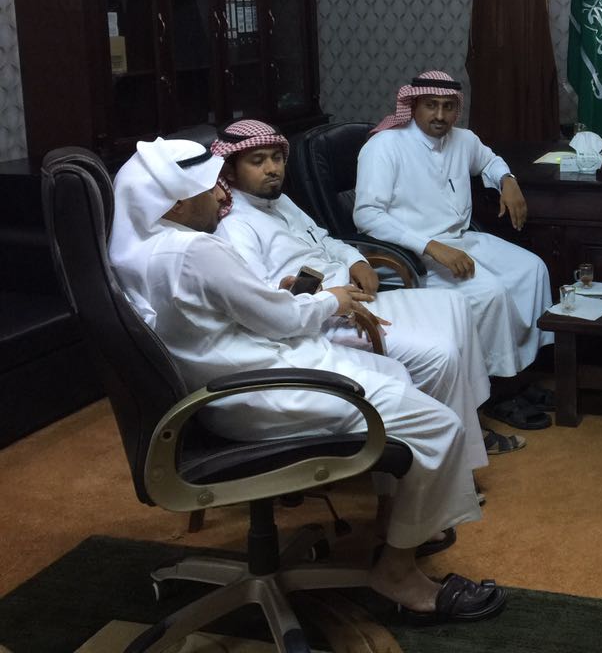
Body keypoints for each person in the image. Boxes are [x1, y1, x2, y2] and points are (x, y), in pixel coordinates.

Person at [109, 137, 505, 621]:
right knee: (439, 426)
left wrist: (291, 296)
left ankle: (393, 517)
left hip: (225, 387)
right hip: (260, 390)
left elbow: (234, 309)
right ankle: (396, 573)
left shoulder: (138, 250)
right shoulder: (194, 252)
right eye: (209, 189)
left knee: (397, 371)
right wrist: (332, 301)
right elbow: (279, 319)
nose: (220, 196)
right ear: (174, 203)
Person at [211, 119, 518, 460]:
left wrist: (356, 260)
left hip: (352, 295)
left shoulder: (278, 201)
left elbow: (323, 238)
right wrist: (324, 299)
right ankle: (449, 449)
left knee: (455, 305)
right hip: (325, 321)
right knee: (439, 353)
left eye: (276, 158)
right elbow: (261, 303)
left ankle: (469, 421)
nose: (272, 169)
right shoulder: (236, 227)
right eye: (257, 161)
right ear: (231, 171)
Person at [355, 71, 554, 430]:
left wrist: (507, 181)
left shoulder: (464, 140)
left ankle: (520, 375)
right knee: (491, 292)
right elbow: (367, 215)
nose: (440, 115)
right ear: (413, 105)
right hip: (412, 253)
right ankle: (496, 394)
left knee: (532, 270)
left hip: (461, 239)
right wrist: (431, 247)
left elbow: (490, 160)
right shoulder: (384, 147)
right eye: (431, 105)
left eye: (448, 107)